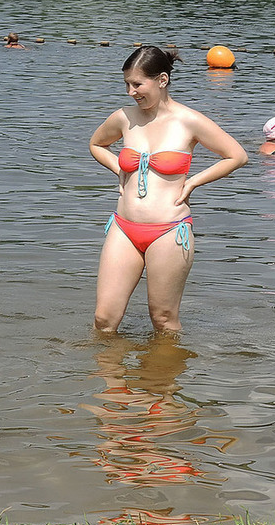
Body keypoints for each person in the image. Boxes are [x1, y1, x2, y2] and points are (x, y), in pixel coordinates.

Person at [89, 45, 249, 333]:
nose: (131, 92)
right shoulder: (124, 117)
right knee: (103, 320)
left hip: (169, 230)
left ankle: (162, 378)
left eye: (137, 84)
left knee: (163, 319)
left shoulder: (189, 121)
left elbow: (237, 156)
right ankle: (113, 378)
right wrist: (119, 168)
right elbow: (96, 144)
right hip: (123, 228)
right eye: (126, 84)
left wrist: (193, 182)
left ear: (162, 80)